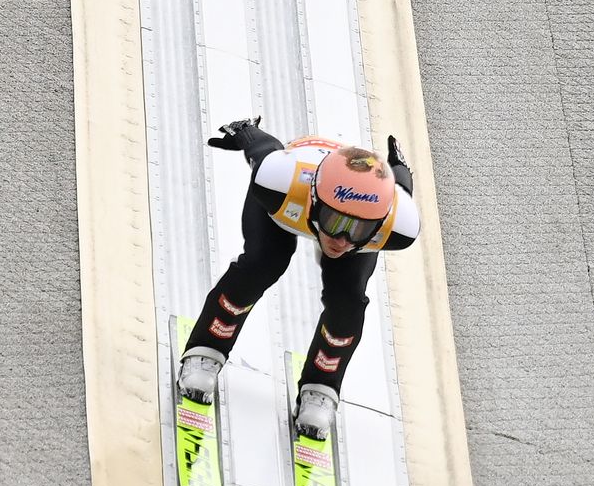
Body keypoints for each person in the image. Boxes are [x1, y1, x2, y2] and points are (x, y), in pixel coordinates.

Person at [173, 121, 420, 441]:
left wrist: (398, 165)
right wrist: (245, 130)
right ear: (316, 199)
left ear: (380, 223)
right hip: (294, 192)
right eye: (335, 222)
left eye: (357, 229)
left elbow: (401, 187)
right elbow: (262, 147)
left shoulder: (399, 224)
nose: (342, 240)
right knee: (263, 263)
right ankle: (206, 348)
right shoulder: (277, 179)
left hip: (314, 205)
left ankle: (323, 385)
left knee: (348, 299)